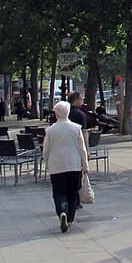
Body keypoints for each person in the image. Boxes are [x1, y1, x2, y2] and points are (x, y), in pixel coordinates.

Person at [42, 100, 90, 233]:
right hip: (73, 165)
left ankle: (62, 211)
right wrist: (85, 164)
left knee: (59, 192)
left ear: (56, 114)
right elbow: (82, 148)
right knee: (73, 192)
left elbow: (45, 150)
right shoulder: (76, 128)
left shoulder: (50, 130)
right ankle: (69, 218)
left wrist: (47, 162)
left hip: (56, 166)